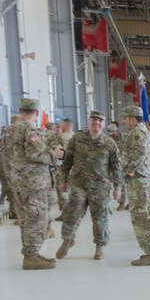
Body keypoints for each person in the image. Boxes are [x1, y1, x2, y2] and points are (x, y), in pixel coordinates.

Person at [55, 111, 122, 261]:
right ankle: (67, 240)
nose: (96, 122)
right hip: (78, 183)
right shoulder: (77, 139)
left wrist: (118, 187)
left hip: (100, 185)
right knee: (72, 212)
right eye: (94, 119)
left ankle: (100, 246)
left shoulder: (109, 143)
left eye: (100, 120)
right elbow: (67, 161)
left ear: (104, 124)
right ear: (89, 121)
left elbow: (116, 166)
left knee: (100, 217)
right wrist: (63, 180)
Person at [7, 98, 61, 270]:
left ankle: (29, 253)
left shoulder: (9, 129)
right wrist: (55, 154)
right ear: (37, 113)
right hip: (32, 181)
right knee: (36, 216)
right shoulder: (28, 129)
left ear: (20, 109)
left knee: (24, 217)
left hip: (17, 179)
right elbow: (35, 154)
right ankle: (32, 256)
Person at [119, 105, 150, 266]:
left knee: (142, 217)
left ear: (132, 119)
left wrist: (131, 168)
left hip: (139, 180)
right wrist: (147, 166)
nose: (124, 121)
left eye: (126, 118)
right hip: (148, 177)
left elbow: (141, 151)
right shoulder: (147, 132)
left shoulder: (136, 133)